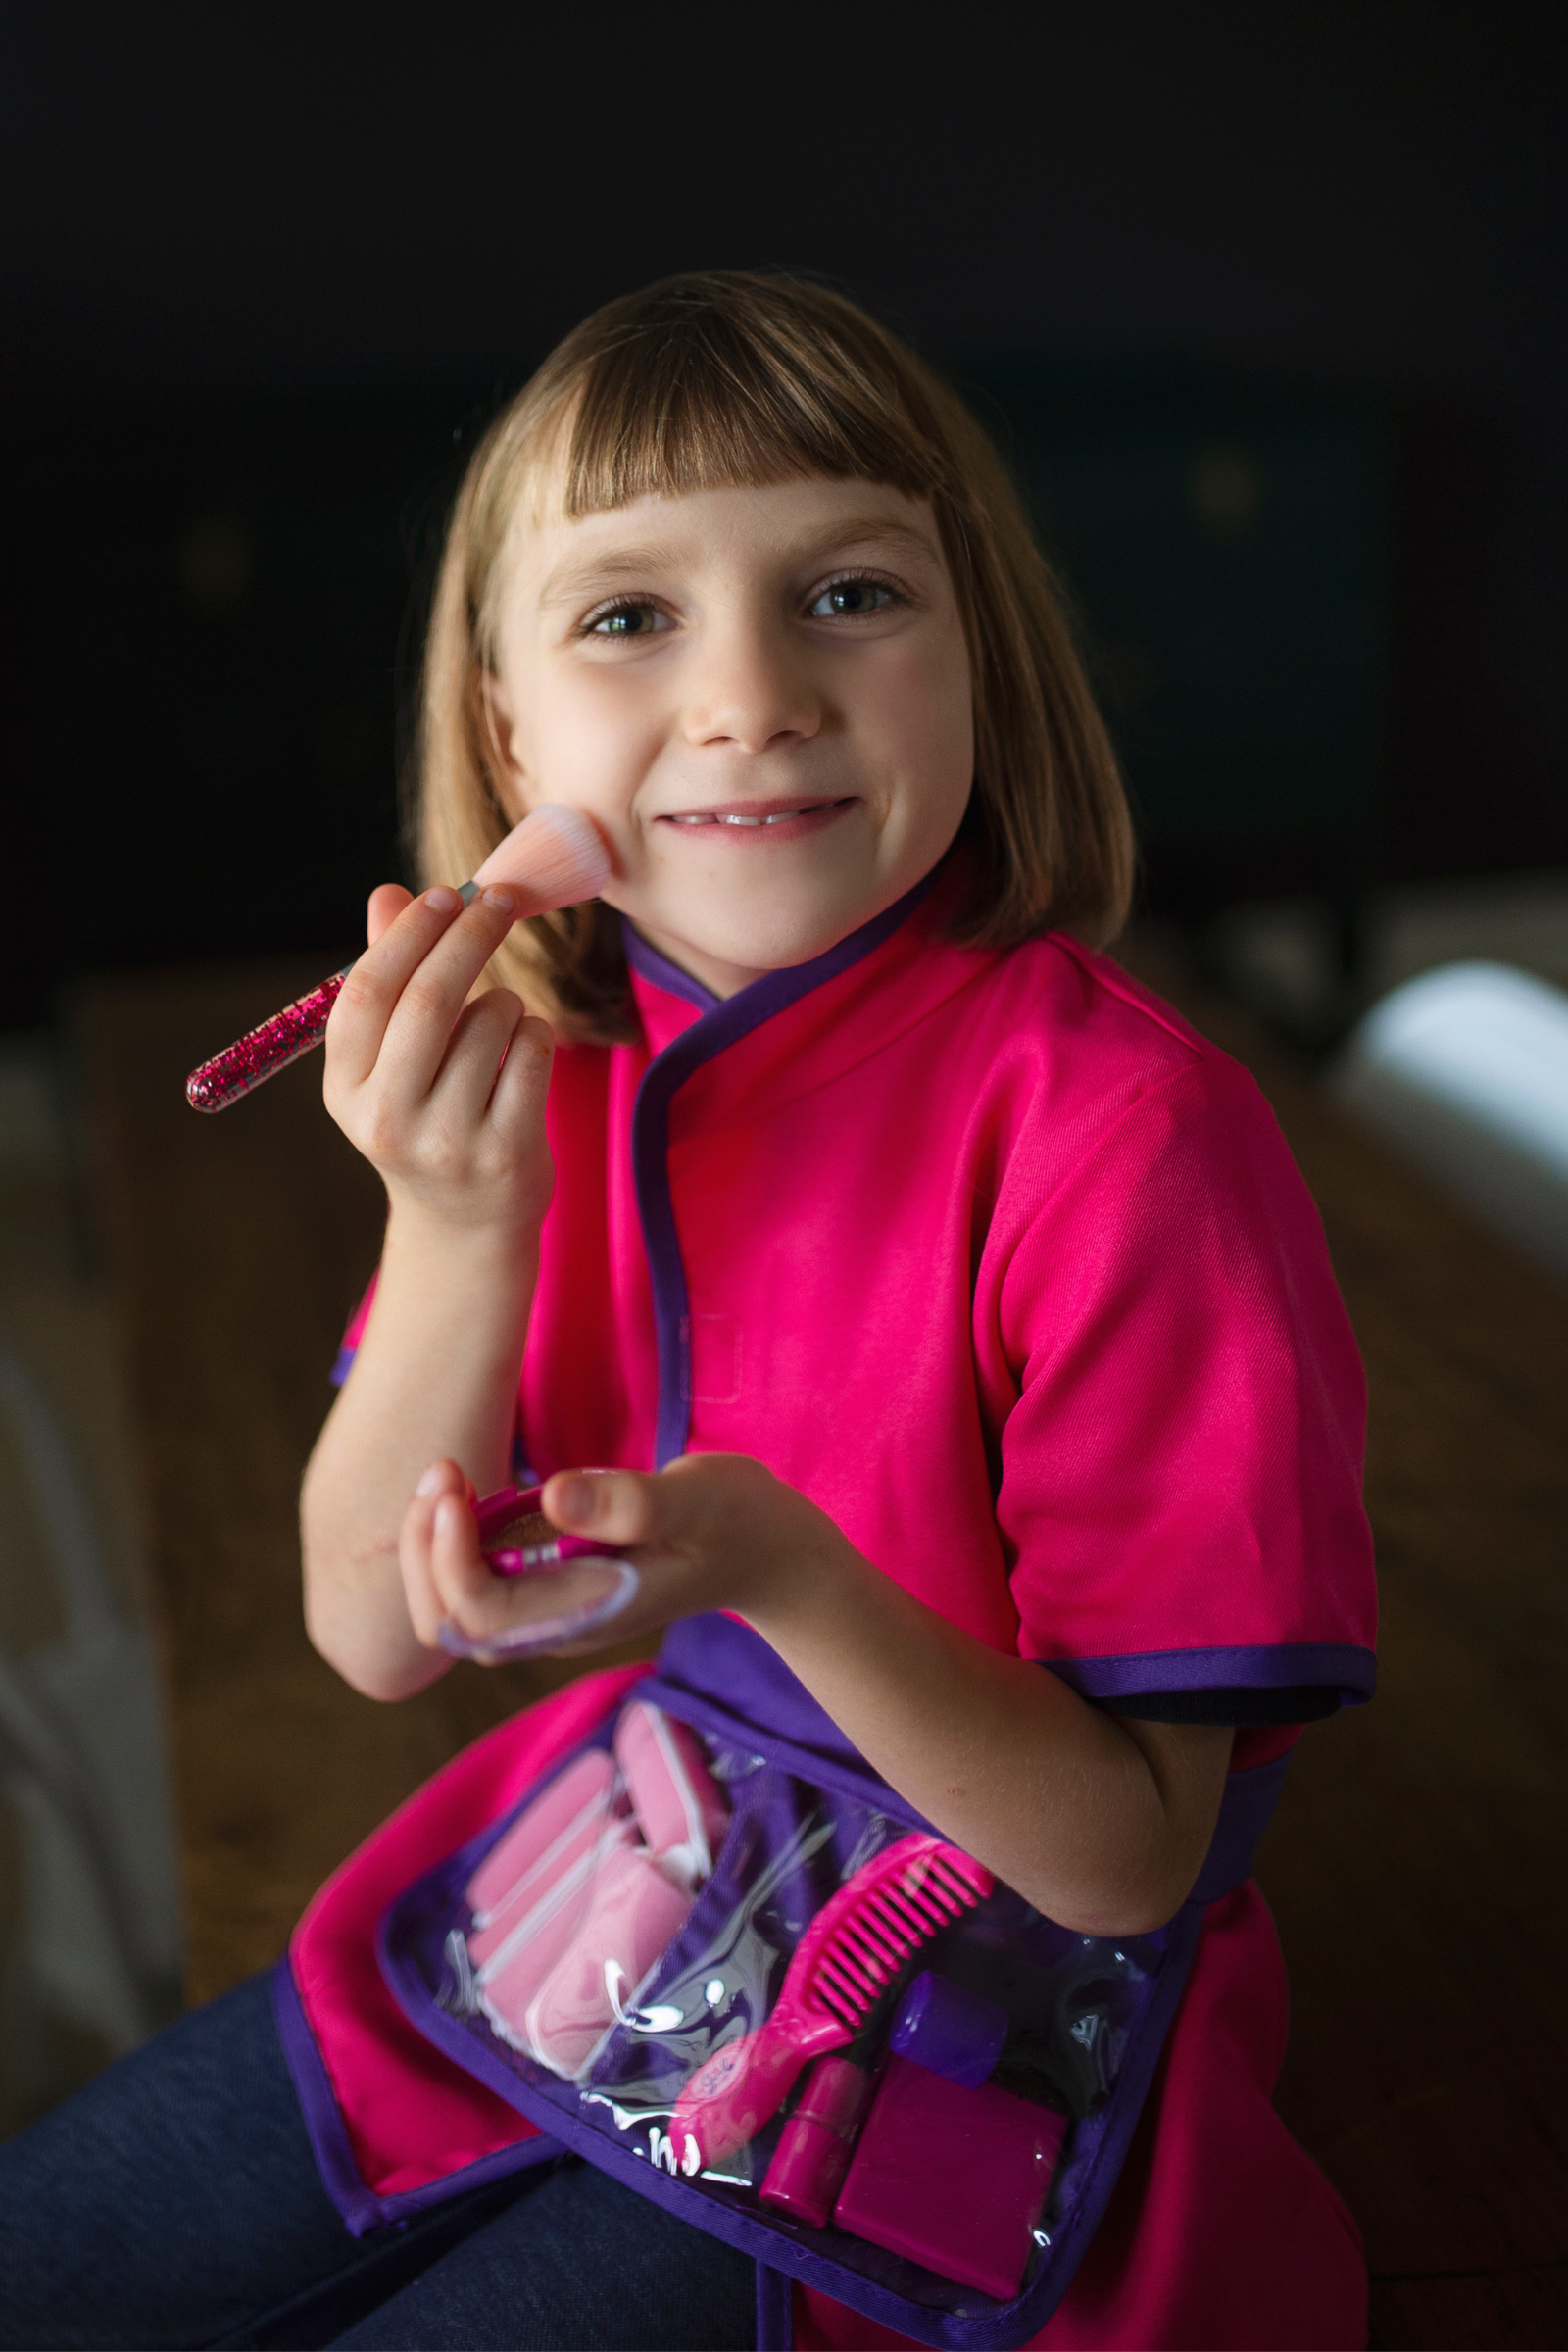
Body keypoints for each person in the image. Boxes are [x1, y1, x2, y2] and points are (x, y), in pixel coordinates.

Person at [0, 272, 1376, 2351]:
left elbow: (1122, 1864)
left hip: (965, 2052)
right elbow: (375, 1631)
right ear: (505, 735)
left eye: (846, 596)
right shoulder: (551, 1072)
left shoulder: (1127, 1138)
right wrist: (454, 1223)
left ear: (979, 664)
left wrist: (777, 1572)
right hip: (596, 1899)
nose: (748, 698)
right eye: (629, 616)